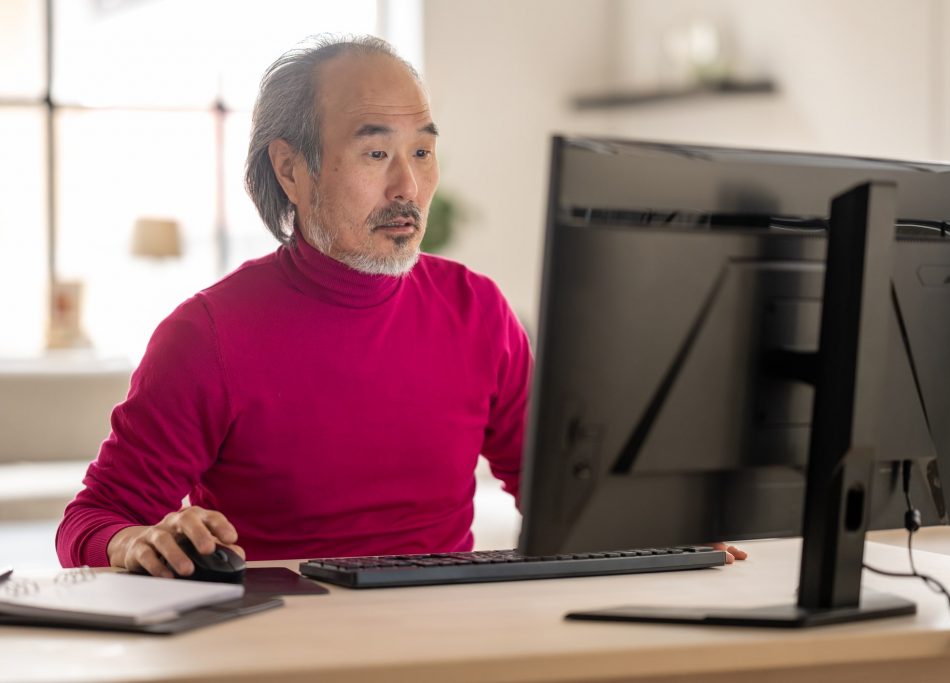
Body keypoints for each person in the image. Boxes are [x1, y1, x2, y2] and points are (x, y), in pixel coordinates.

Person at [56, 35, 745, 576]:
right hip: (279, 645)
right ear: (292, 169)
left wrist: (660, 526)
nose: (408, 185)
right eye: (376, 151)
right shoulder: (207, 336)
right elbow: (92, 519)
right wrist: (136, 540)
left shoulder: (478, 309)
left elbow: (561, 491)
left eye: (422, 150)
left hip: (444, 634)